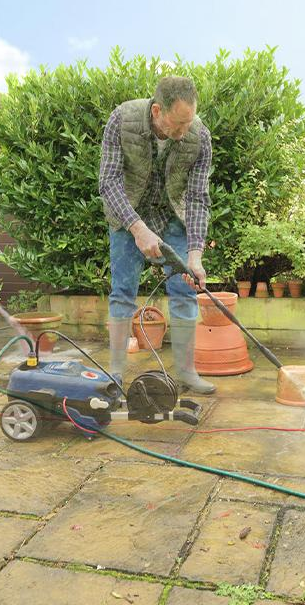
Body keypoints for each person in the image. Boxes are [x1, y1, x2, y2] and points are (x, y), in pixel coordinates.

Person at [98, 76, 216, 394]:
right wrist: (137, 228)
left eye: (188, 123)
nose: (182, 133)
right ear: (156, 111)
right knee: (122, 291)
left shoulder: (199, 136)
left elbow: (197, 197)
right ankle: (115, 373)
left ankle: (187, 373)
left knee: (184, 289)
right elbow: (108, 182)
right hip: (128, 215)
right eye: (177, 124)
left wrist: (195, 254)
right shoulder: (121, 120)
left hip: (171, 217)